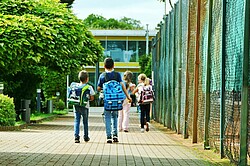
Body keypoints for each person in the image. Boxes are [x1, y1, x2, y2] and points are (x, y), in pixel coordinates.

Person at [97, 57, 132, 143]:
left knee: (107, 117)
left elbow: (98, 88)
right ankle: (115, 135)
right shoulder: (117, 75)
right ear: (113, 65)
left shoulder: (102, 76)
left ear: (104, 65)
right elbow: (122, 86)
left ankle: (109, 136)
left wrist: (103, 89)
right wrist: (128, 96)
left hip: (107, 100)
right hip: (116, 100)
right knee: (115, 117)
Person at [74, 70, 95, 143]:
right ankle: (86, 137)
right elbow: (92, 98)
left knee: (77, 121)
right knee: (85, 122)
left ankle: (76, 137)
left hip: (76, 105)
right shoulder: (89, 87)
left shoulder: (75, 86)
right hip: (85, 106)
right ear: (87, 79)